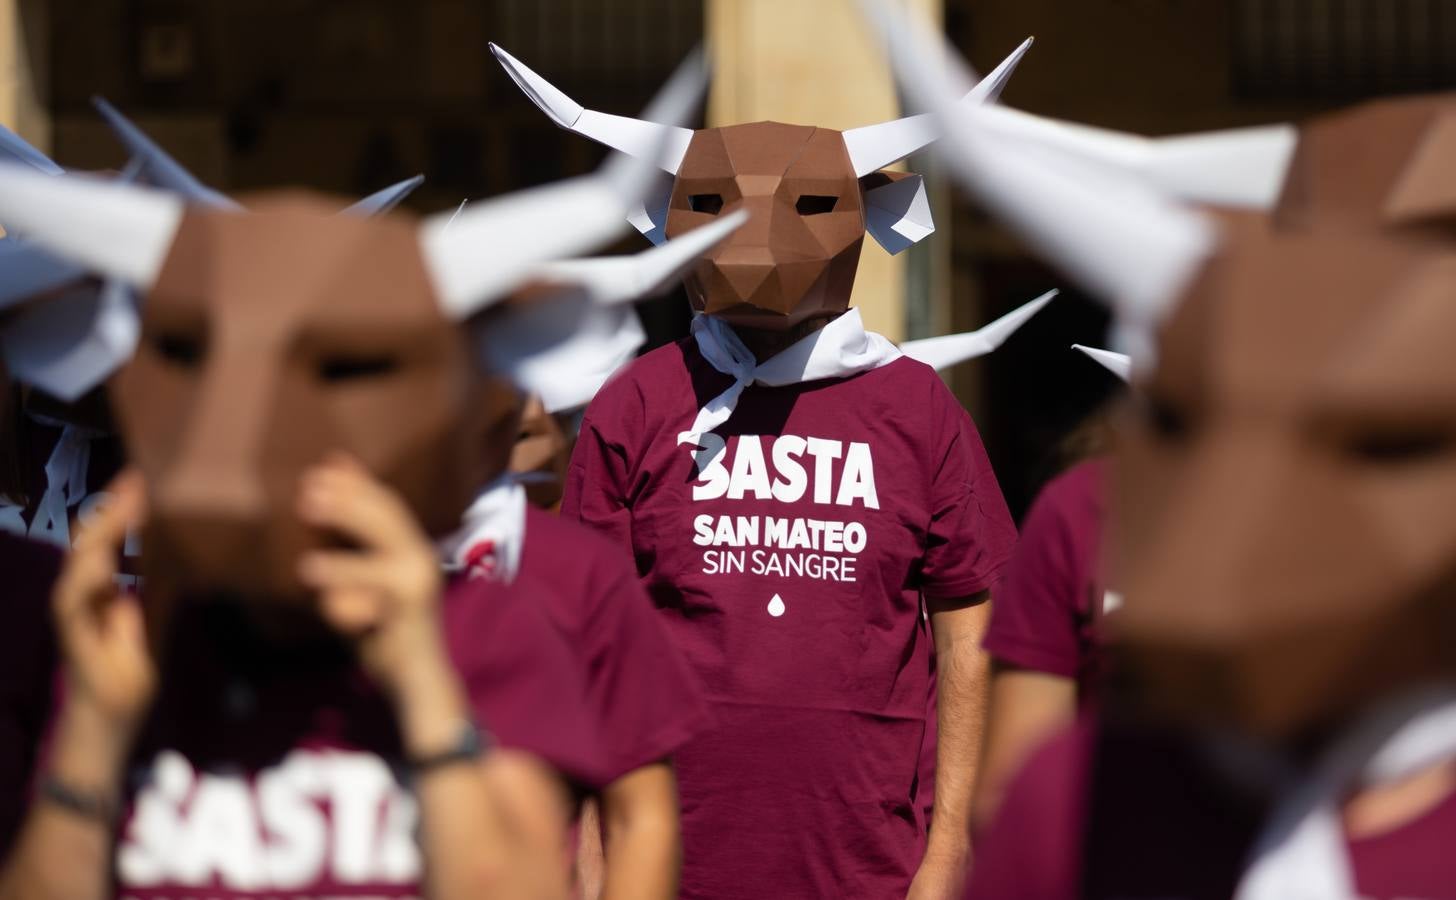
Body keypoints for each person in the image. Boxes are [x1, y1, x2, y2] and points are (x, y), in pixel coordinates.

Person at [494, 43, 1028, 898]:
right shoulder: (637, 402)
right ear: (666, 219)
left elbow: (970, 633)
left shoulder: (919, 411)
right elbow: (581, 637)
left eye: (810, 203)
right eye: (710, 204)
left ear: (875, 215)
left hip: (874, 868)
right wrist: (593, 859)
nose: (754, 237)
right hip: (668, 868)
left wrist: (949, 850)